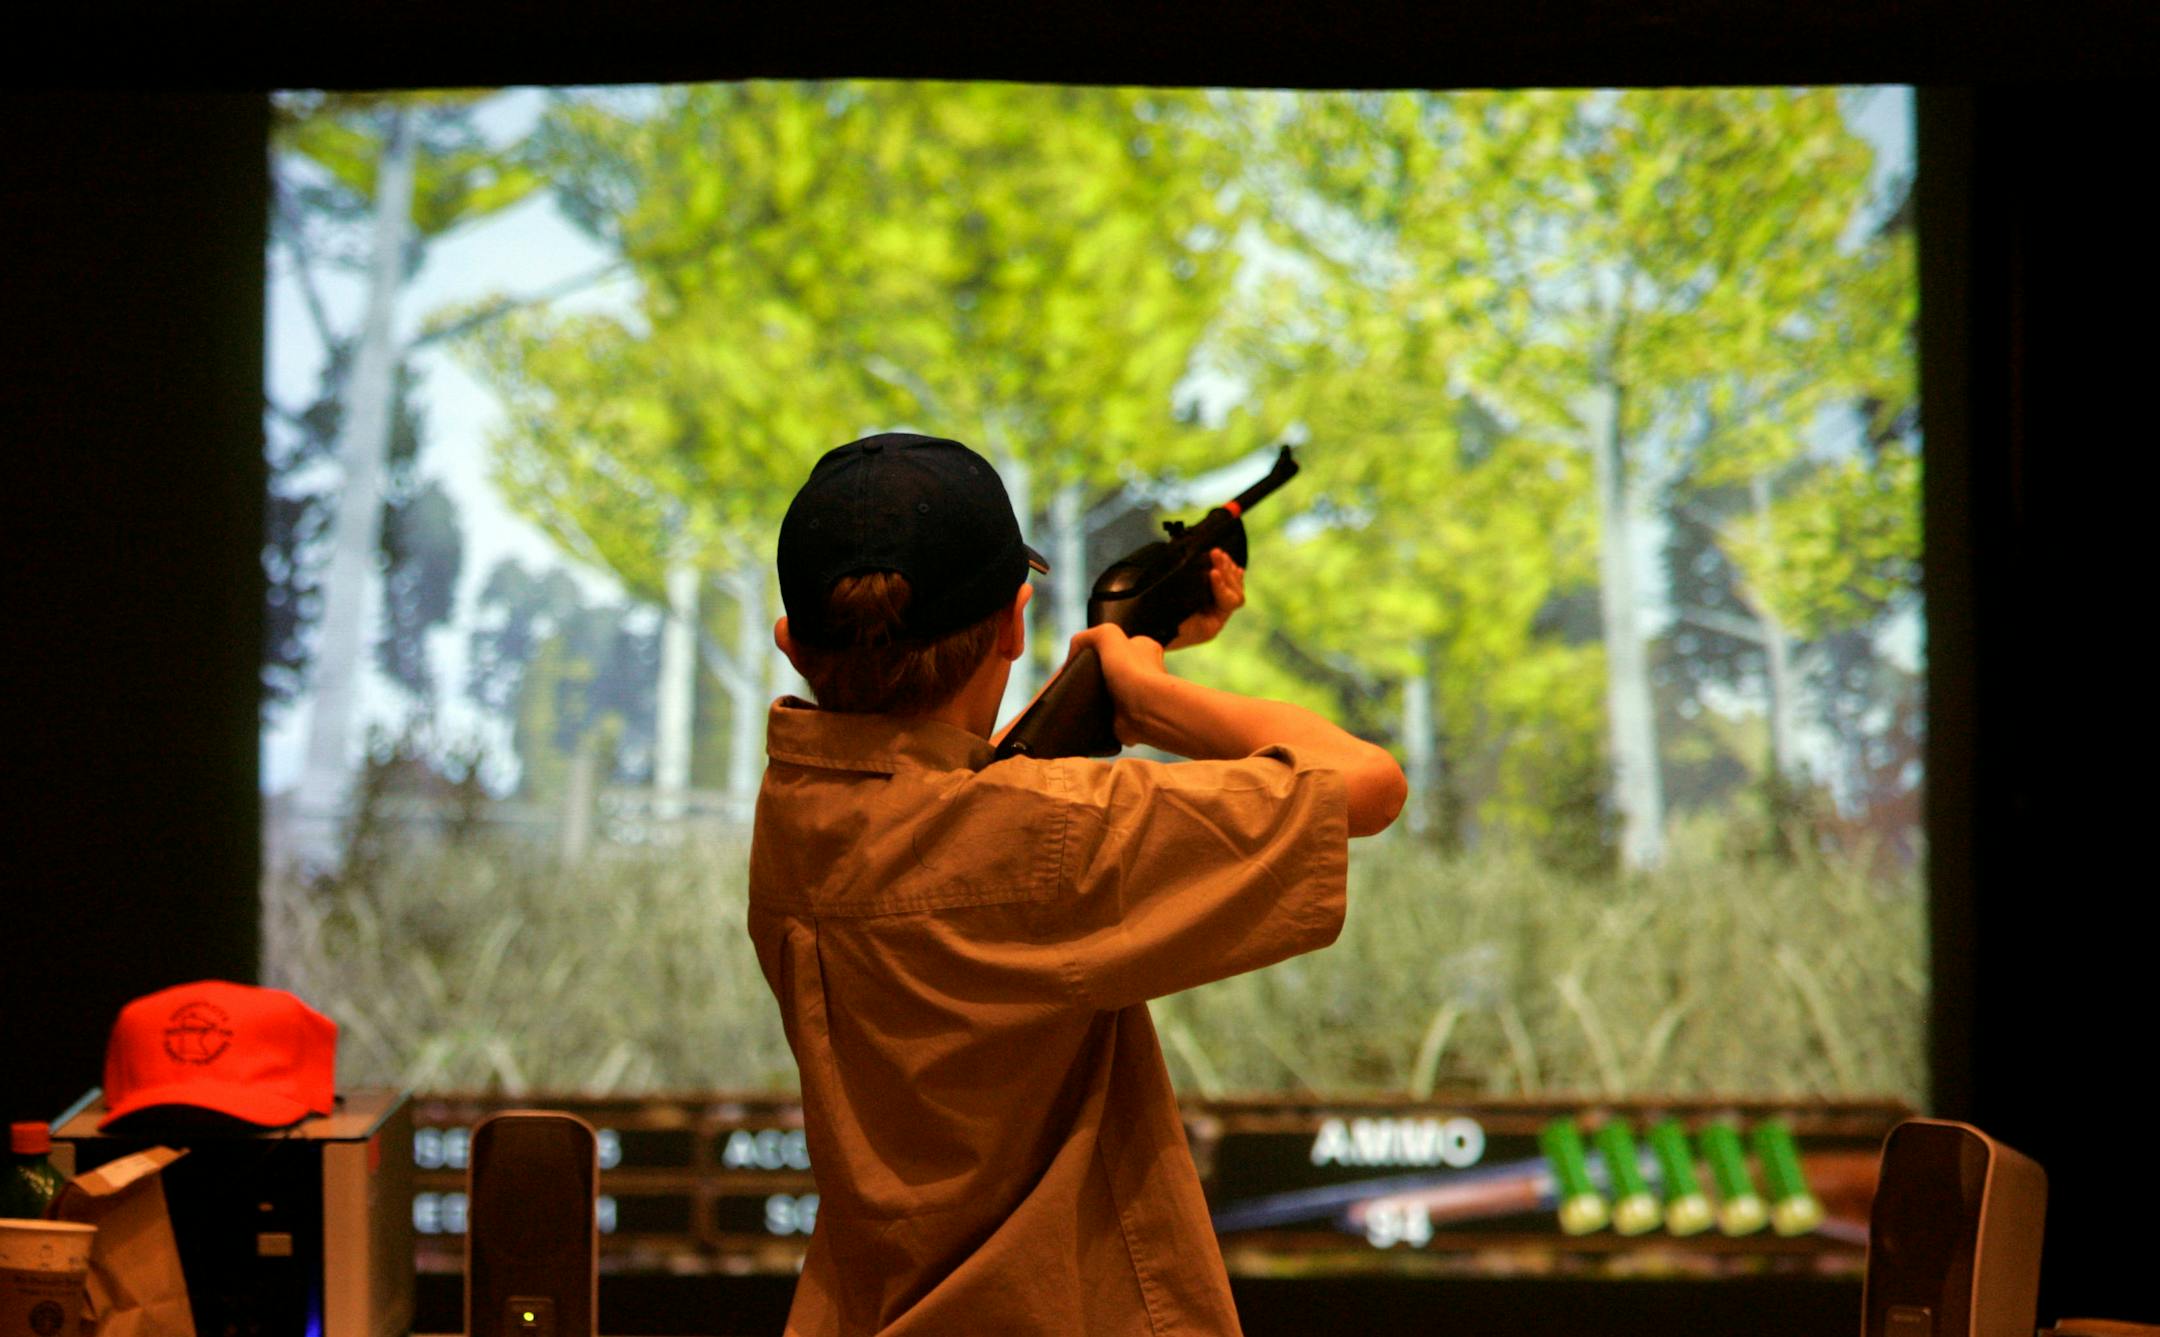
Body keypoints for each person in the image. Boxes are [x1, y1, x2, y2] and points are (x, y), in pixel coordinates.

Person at [749, 431, 1407, 1335]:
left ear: (792, 644)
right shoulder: (1051, 838)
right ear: (1016, 623)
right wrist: (1152, 696)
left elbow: (938, 805)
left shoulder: (794, 812)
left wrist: (1106, 680)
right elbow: (1367, 784)